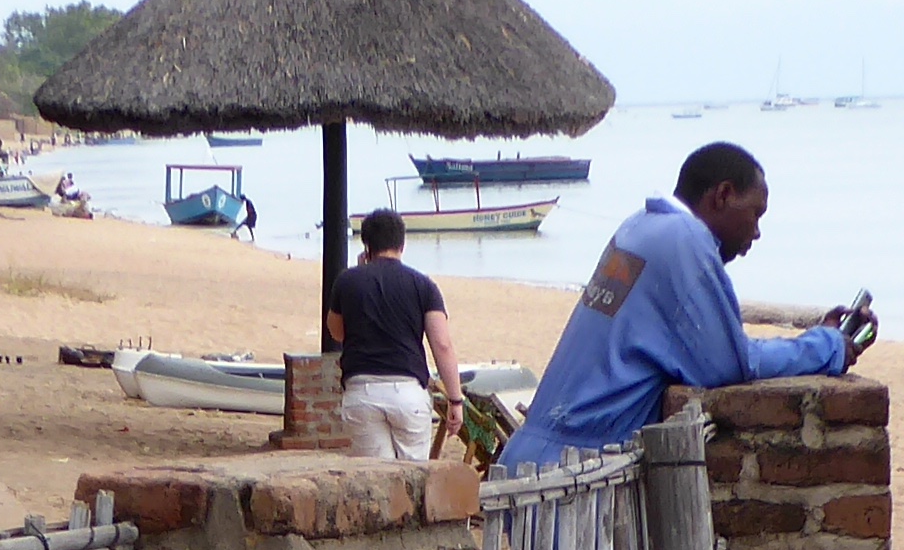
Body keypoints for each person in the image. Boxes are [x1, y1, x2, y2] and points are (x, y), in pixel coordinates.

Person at [492, 141, 872, 473]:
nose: (756, 232)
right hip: (573, 471)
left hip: (532, 455)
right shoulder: (685, 239)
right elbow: (731, 364)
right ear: (723, 195)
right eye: (755, 214)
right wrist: (828, 346)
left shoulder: (640, 226)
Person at [325, 210, 465, 459]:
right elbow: (442, 345)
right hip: (408, 392)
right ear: (402, 244)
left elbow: (336, 332)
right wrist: (455, 400)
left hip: (362, 390)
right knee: (413, 475)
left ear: (366, 246)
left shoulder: (347, 281)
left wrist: (359, 277)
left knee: (375, 476)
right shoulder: (423, 285)